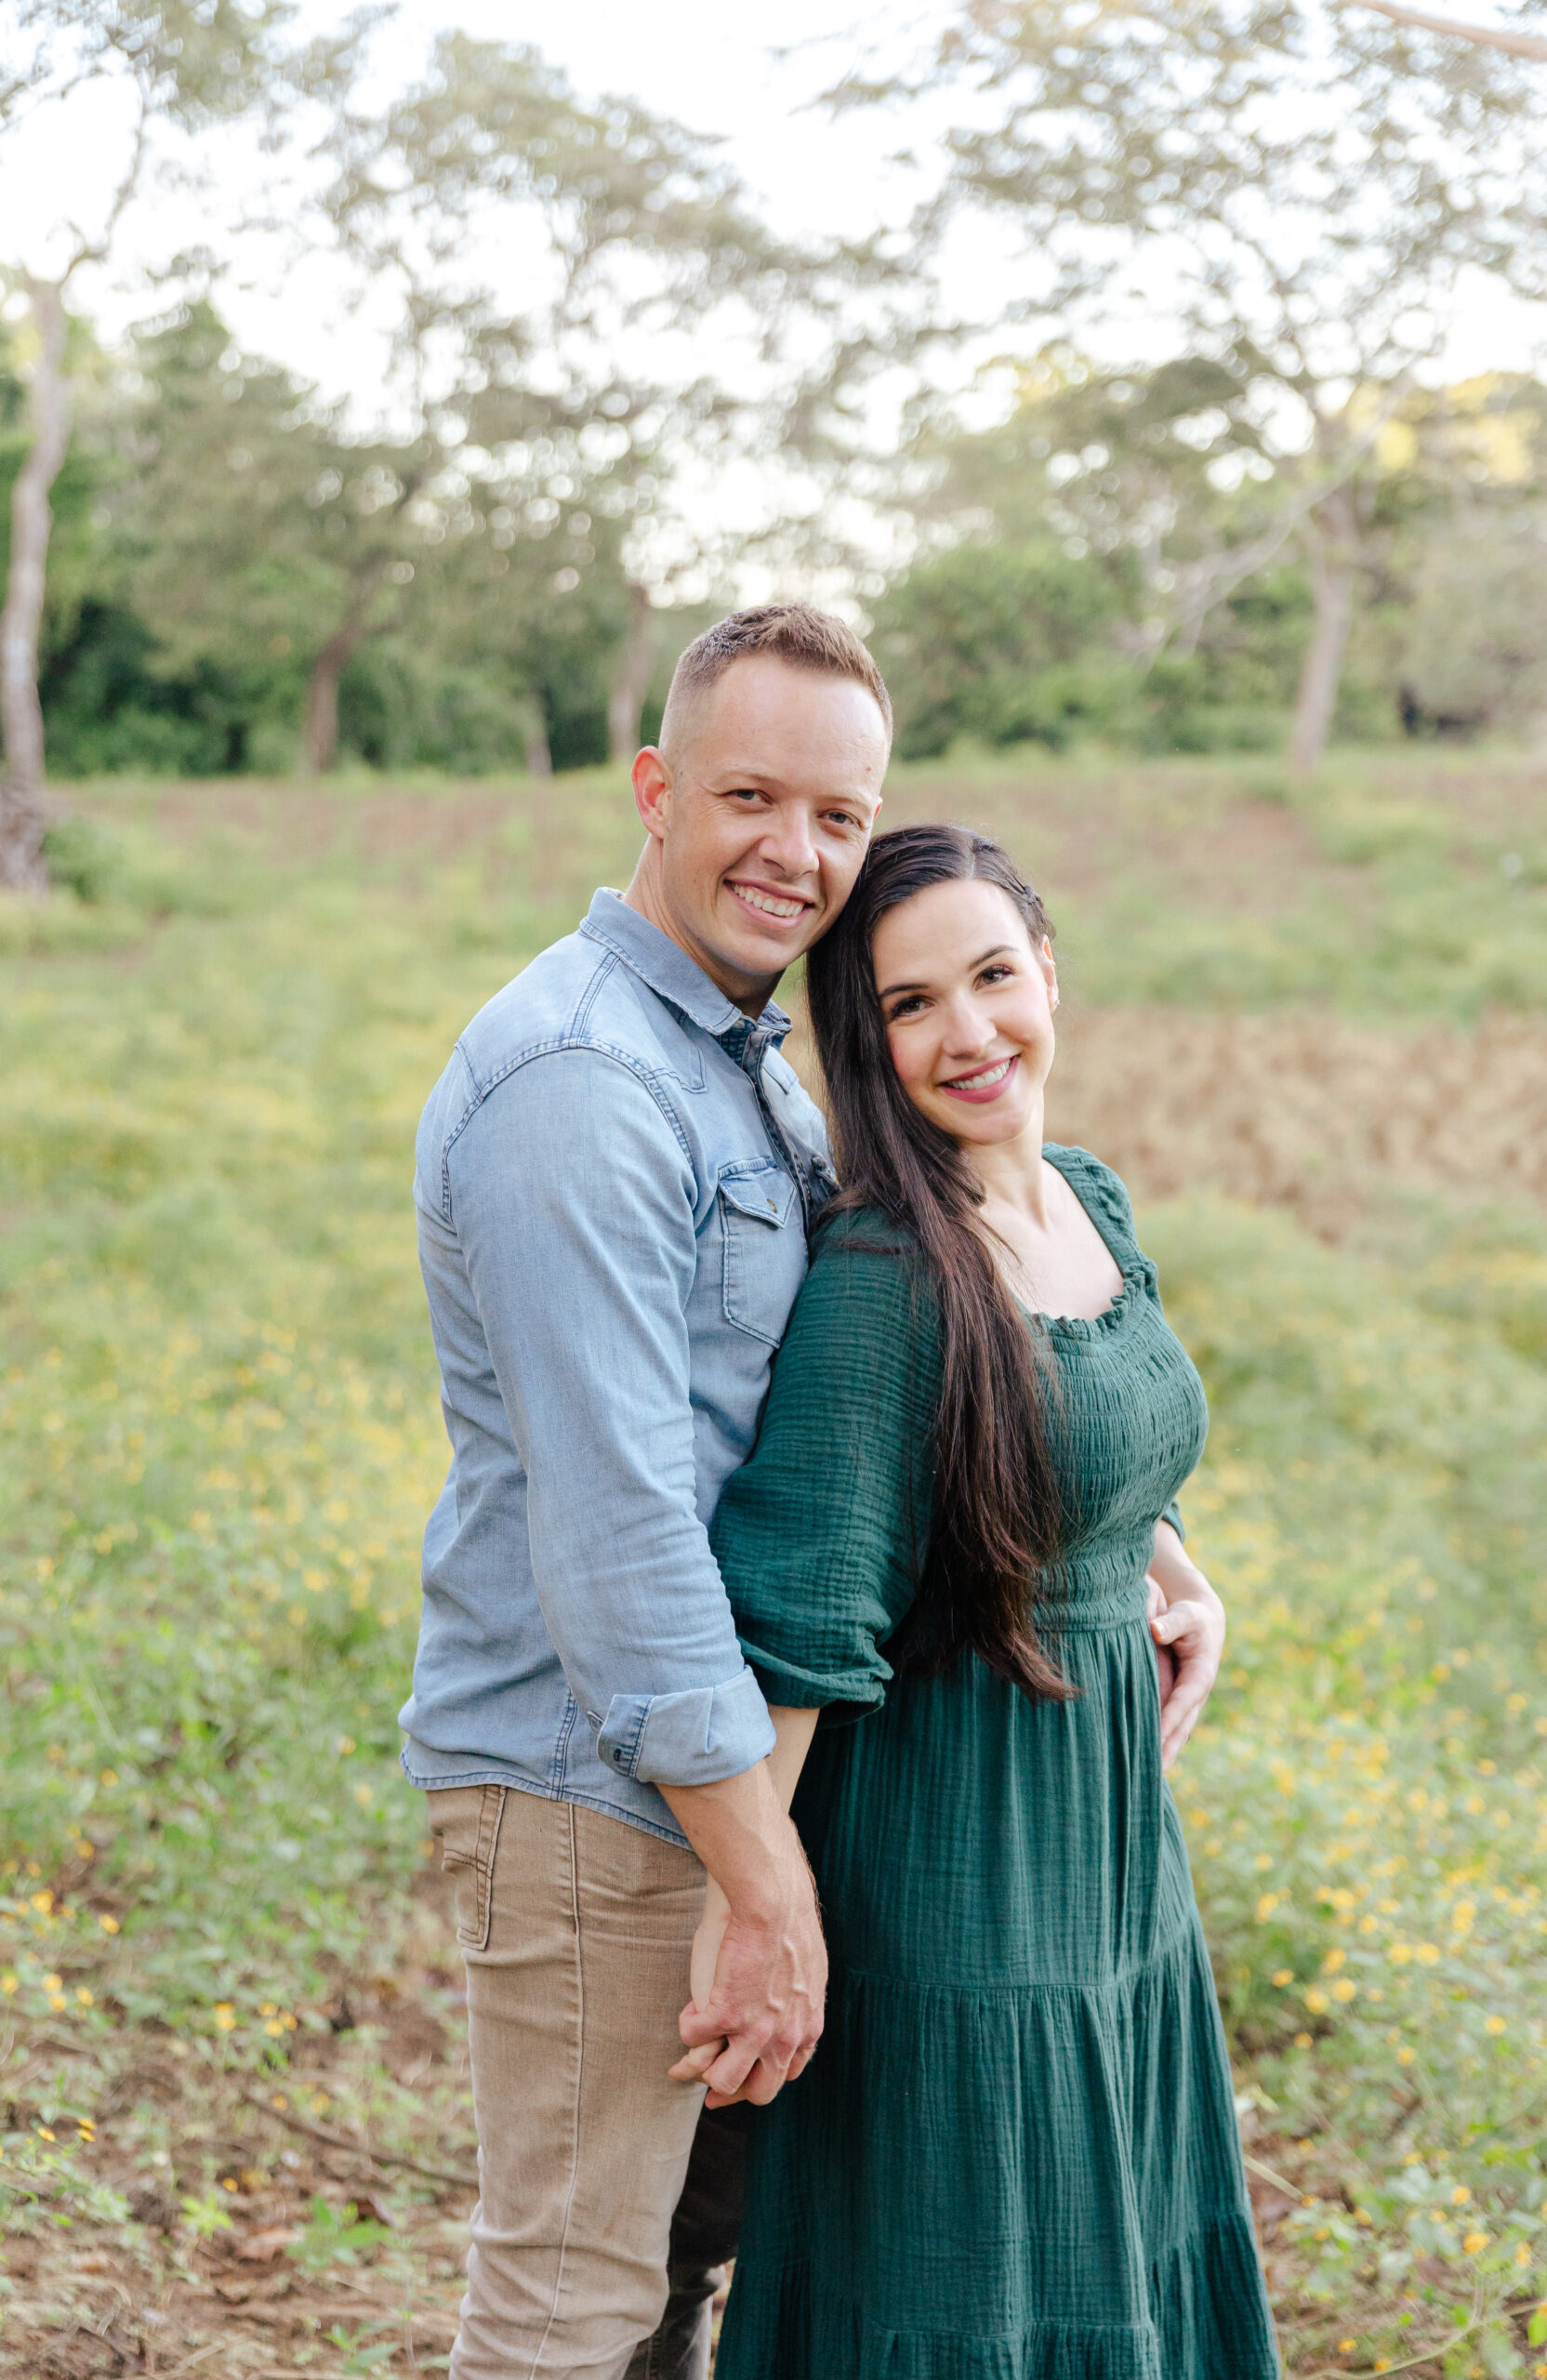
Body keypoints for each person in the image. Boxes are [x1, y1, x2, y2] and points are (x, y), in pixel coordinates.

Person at [694, 822, 1281, 2379]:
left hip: (1111, 1853)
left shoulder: (1088, 1198)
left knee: (1118, 2230)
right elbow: (806, 1622)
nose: (968, 1034)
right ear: (863, 1042)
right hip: (957, 1863)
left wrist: (1176, 1571)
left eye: (993, 976)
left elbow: (1095, 1437)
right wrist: (763, 1917)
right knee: (970, 2283)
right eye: (907, 1005)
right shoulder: (886, 1275)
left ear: (1049, 973)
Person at [402, 604, 891, 2380]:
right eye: (753, 796)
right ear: (655, 786)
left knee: (677, 2283)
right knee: (571, 2299)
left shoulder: (739, 1066)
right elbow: (618, 1534)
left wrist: (1150, 1544)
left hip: (708, 1788)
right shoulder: (586, 1084)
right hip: (598, 1788)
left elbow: (877, 1348)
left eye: (839, 815)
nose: (798, 852)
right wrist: (763, 1890)